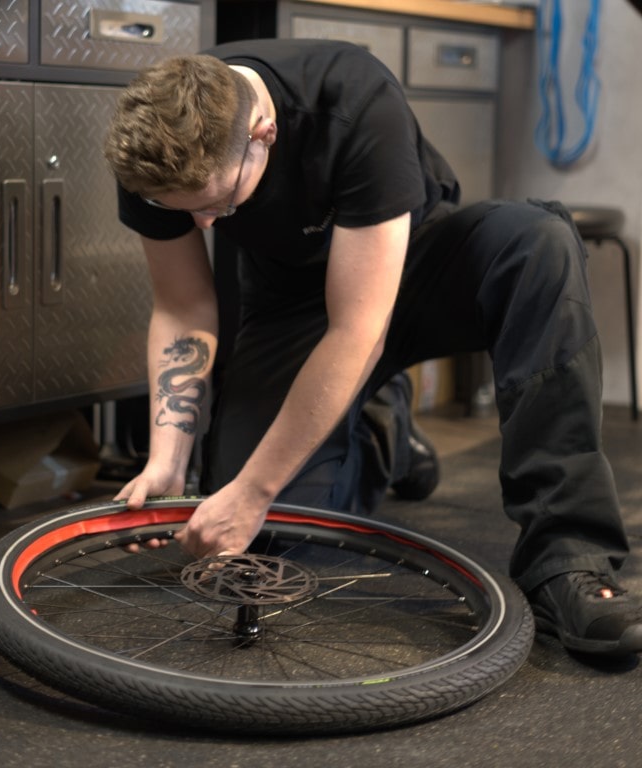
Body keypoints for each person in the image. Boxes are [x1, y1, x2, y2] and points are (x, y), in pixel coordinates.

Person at [104, 38, 642, 657]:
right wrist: (168, 459)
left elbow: (358, 329)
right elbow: (183, 307)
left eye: (219, 204)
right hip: (293, 305)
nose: (205, 224)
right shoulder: (154, 151)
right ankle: (383, 432)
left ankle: (569, 560)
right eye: (185, 211)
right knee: (268, 541)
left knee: (539, 242)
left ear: (263, 133)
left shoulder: (353, 98)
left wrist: (253, 491)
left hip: (418, 267)